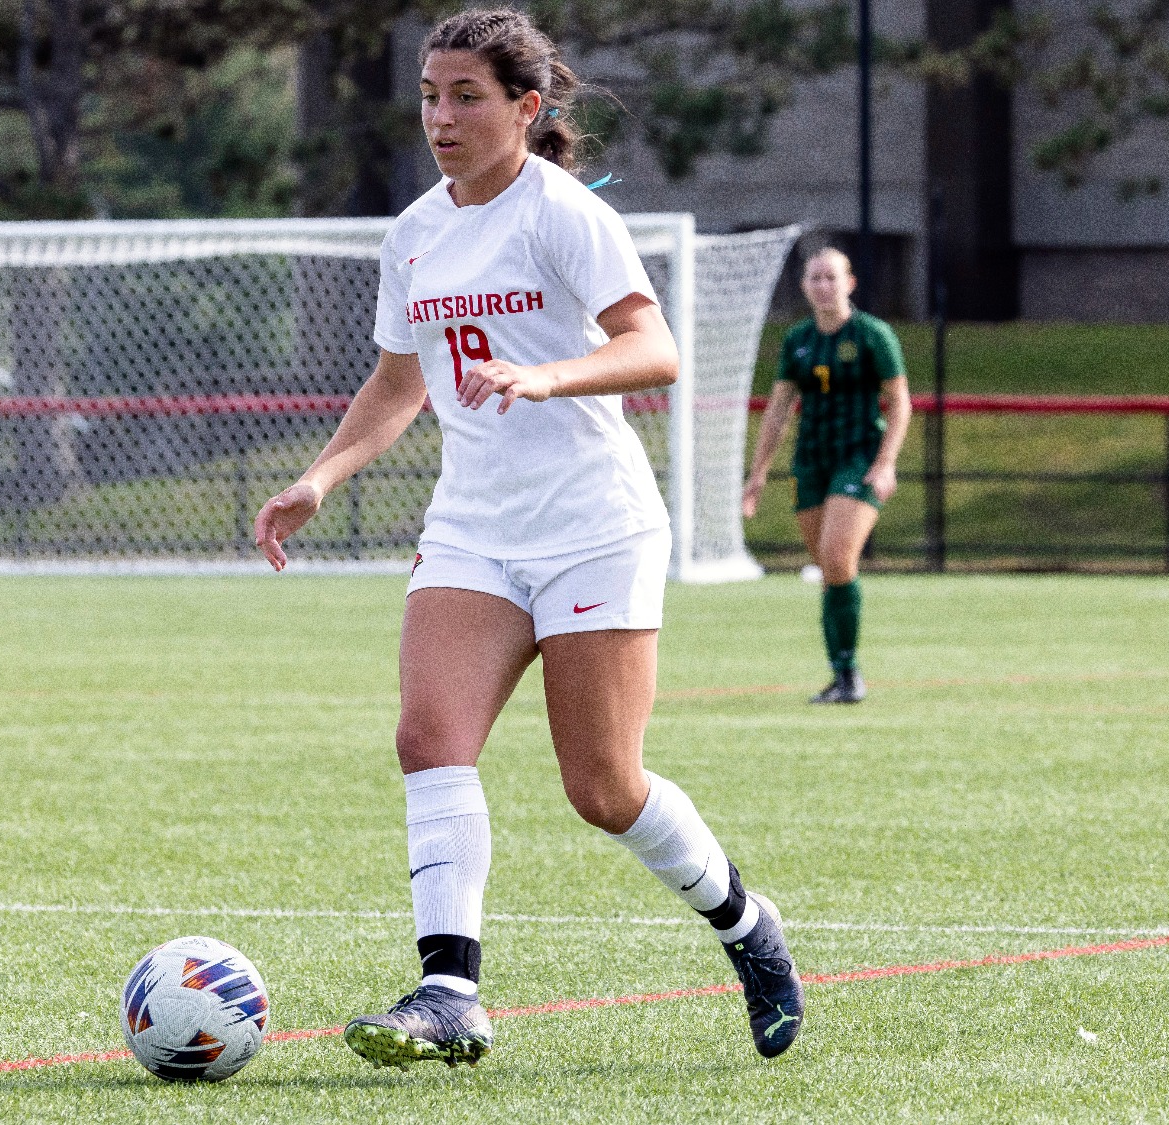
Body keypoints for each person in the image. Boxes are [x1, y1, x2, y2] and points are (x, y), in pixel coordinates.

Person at [253, 8, 802, 1071]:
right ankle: (450, 992)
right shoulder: (412, 232)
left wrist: (549, 371)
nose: (442, 116)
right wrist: (319, 477)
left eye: (467, 96)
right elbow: (398, 381)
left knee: (603, 790)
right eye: (428, 94)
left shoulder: (559, 215)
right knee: (428, 738)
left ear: (526, 108)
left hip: (592, 525)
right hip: (473, 528)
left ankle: (746, 927)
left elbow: (654, 347)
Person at [742, 247, 912, 704]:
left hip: (858, 458)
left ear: (849, 283)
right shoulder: (798, 339)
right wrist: (758, 474)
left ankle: (850, 675)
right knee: (829, 569)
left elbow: (900, 403)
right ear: (804, 286)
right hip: (812, 461)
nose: (822, 286)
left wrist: (886, 463)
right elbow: (778, 409)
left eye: (831, 277)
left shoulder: (874, 335)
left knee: (837, 559)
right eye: (814, 278)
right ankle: (840, 673)